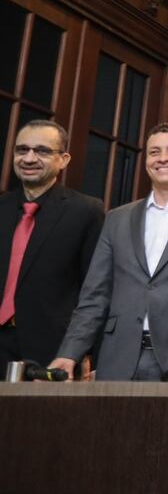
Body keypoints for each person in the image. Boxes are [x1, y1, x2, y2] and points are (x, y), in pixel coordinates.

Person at [50, 124, 168, 380]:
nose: (162, 158)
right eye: (154, 152)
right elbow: (95, 295)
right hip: (117, 355)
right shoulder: (117, 218)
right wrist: (70, 352)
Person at [0, 120, 103, 370]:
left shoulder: (86, 211)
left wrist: (84, 351)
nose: (29, 157)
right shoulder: (1, 207)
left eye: (42, 151)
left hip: (53, 350)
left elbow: (95, 289)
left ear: (64, 159)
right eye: (22, 150)